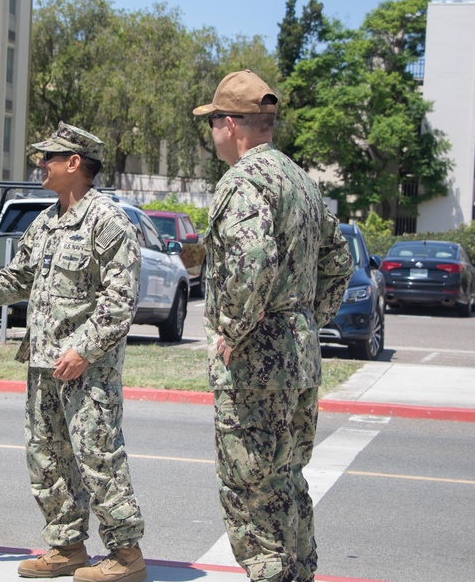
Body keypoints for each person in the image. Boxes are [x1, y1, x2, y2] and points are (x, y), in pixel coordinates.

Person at [0, 122, 148, 582]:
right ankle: (66, 546)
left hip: (87, 369)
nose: (40, 165)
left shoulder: (107, 220)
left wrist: (83, 350)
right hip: (43, 363)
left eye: (49, 157)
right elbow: (14, 280)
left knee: (98, 457)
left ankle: (127, 555)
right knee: (47, 458)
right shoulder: (46, 221)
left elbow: (119, 301)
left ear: (75, 163)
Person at [194, 70, 354, 582]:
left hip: (256, 364)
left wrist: (234, 332)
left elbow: (253, 259)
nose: (212, 132)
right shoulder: (300, 181)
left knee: (250, 491)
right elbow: (339, 260)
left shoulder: (244, 182)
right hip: (298, 357)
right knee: (285, 482)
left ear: (232, 124)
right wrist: (306, 321)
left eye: (214, 121)